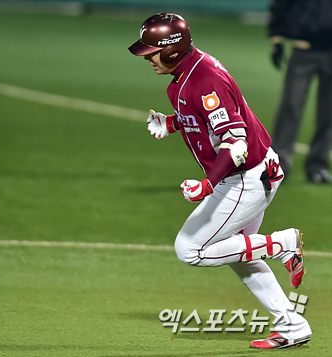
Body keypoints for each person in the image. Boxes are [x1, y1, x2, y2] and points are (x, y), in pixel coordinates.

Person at [129, 13, 312, 349]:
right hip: (254, 172)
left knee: (191, 249)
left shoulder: (203, 78)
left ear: (171, 50)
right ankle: (292, 324)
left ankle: (282, 244)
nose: (147, 57)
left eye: (152, 51)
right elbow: (205, 117)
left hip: (245, 177)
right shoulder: (189, 72)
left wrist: (207, 184)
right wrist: (172, 123)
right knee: (238, 254)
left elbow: (236, 141)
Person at [269, 0, 332, 183]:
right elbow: (281, 5)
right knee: (290, 105)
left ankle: (318, 166)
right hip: (304, 48)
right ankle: (278, 163)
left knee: (328, 112)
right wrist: (277, 38)